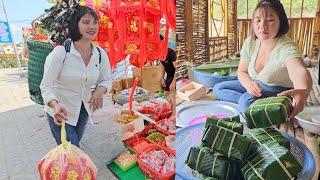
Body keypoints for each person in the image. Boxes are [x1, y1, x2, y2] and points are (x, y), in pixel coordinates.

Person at [213, 0, 312, 121]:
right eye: (258, 20)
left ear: (281, 22)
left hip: (278, 90)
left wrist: (304, 90)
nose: (262, 25)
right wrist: (249, 84)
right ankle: (269, 107)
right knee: (218, 88)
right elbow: (242, 71)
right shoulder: (250, 42)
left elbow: (298, 69)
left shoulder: (287, 47)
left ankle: (273, 105)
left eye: (270, 20)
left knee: (245, 101)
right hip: (256, 84)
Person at [40, 6, 112, 147]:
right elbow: (45, 85)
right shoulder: (61, 53)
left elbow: (107, 79)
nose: (92, 26)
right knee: (73, 151)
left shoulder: (100, 54)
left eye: (95, 22)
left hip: (83, 110)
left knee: (72, 152)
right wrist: (55, 105)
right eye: (86, 22)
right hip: (60, 112)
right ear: (76, 25)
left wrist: (99, 91)